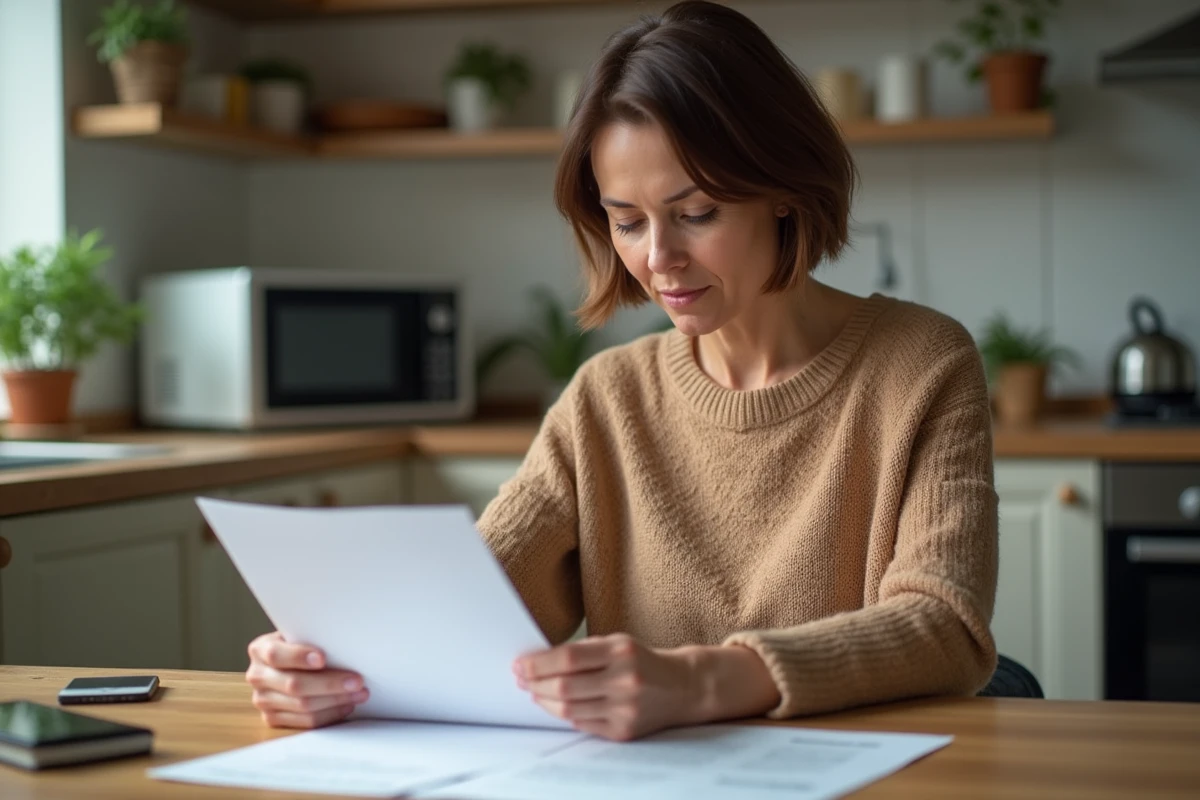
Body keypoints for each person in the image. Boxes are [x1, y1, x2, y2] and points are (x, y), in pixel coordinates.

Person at [244, 0, 999, 742]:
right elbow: (472, 612)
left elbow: (944, 628)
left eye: (696, 212)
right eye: (627, 221)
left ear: (784, 192)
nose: (657, 260)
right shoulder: (606, 398)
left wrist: (702, 681)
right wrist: (333, 668)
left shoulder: (921, 363)